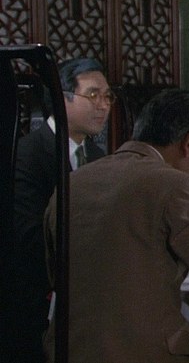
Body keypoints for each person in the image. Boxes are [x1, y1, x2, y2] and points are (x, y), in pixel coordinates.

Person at [43, 89, 189, 363]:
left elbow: (54, 273)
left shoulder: (72, 182)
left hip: (65, 350)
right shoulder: (175, 185)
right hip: (143, 352)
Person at [8, 57, 113, 363]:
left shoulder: (97, 155)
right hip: (35, 301)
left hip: (89, 296)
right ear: (61, 98)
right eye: (93, 95)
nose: (104, 105)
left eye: (108, 96)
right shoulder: (28, 154)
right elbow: (28, 235)